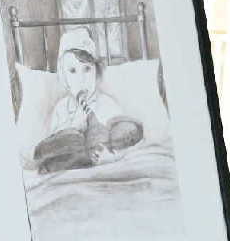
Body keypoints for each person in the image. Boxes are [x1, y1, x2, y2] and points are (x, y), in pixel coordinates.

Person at [30, 28, 144, 176]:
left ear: (97, 72)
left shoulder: (106, 103)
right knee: (67, 142)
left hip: (99, 164)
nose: (81, 79)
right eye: (72, 71)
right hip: (69, 163)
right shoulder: (61, 108)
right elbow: (54, 142)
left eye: (87, 69)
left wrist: (112, 157)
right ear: (64, 78)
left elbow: (125, 142)